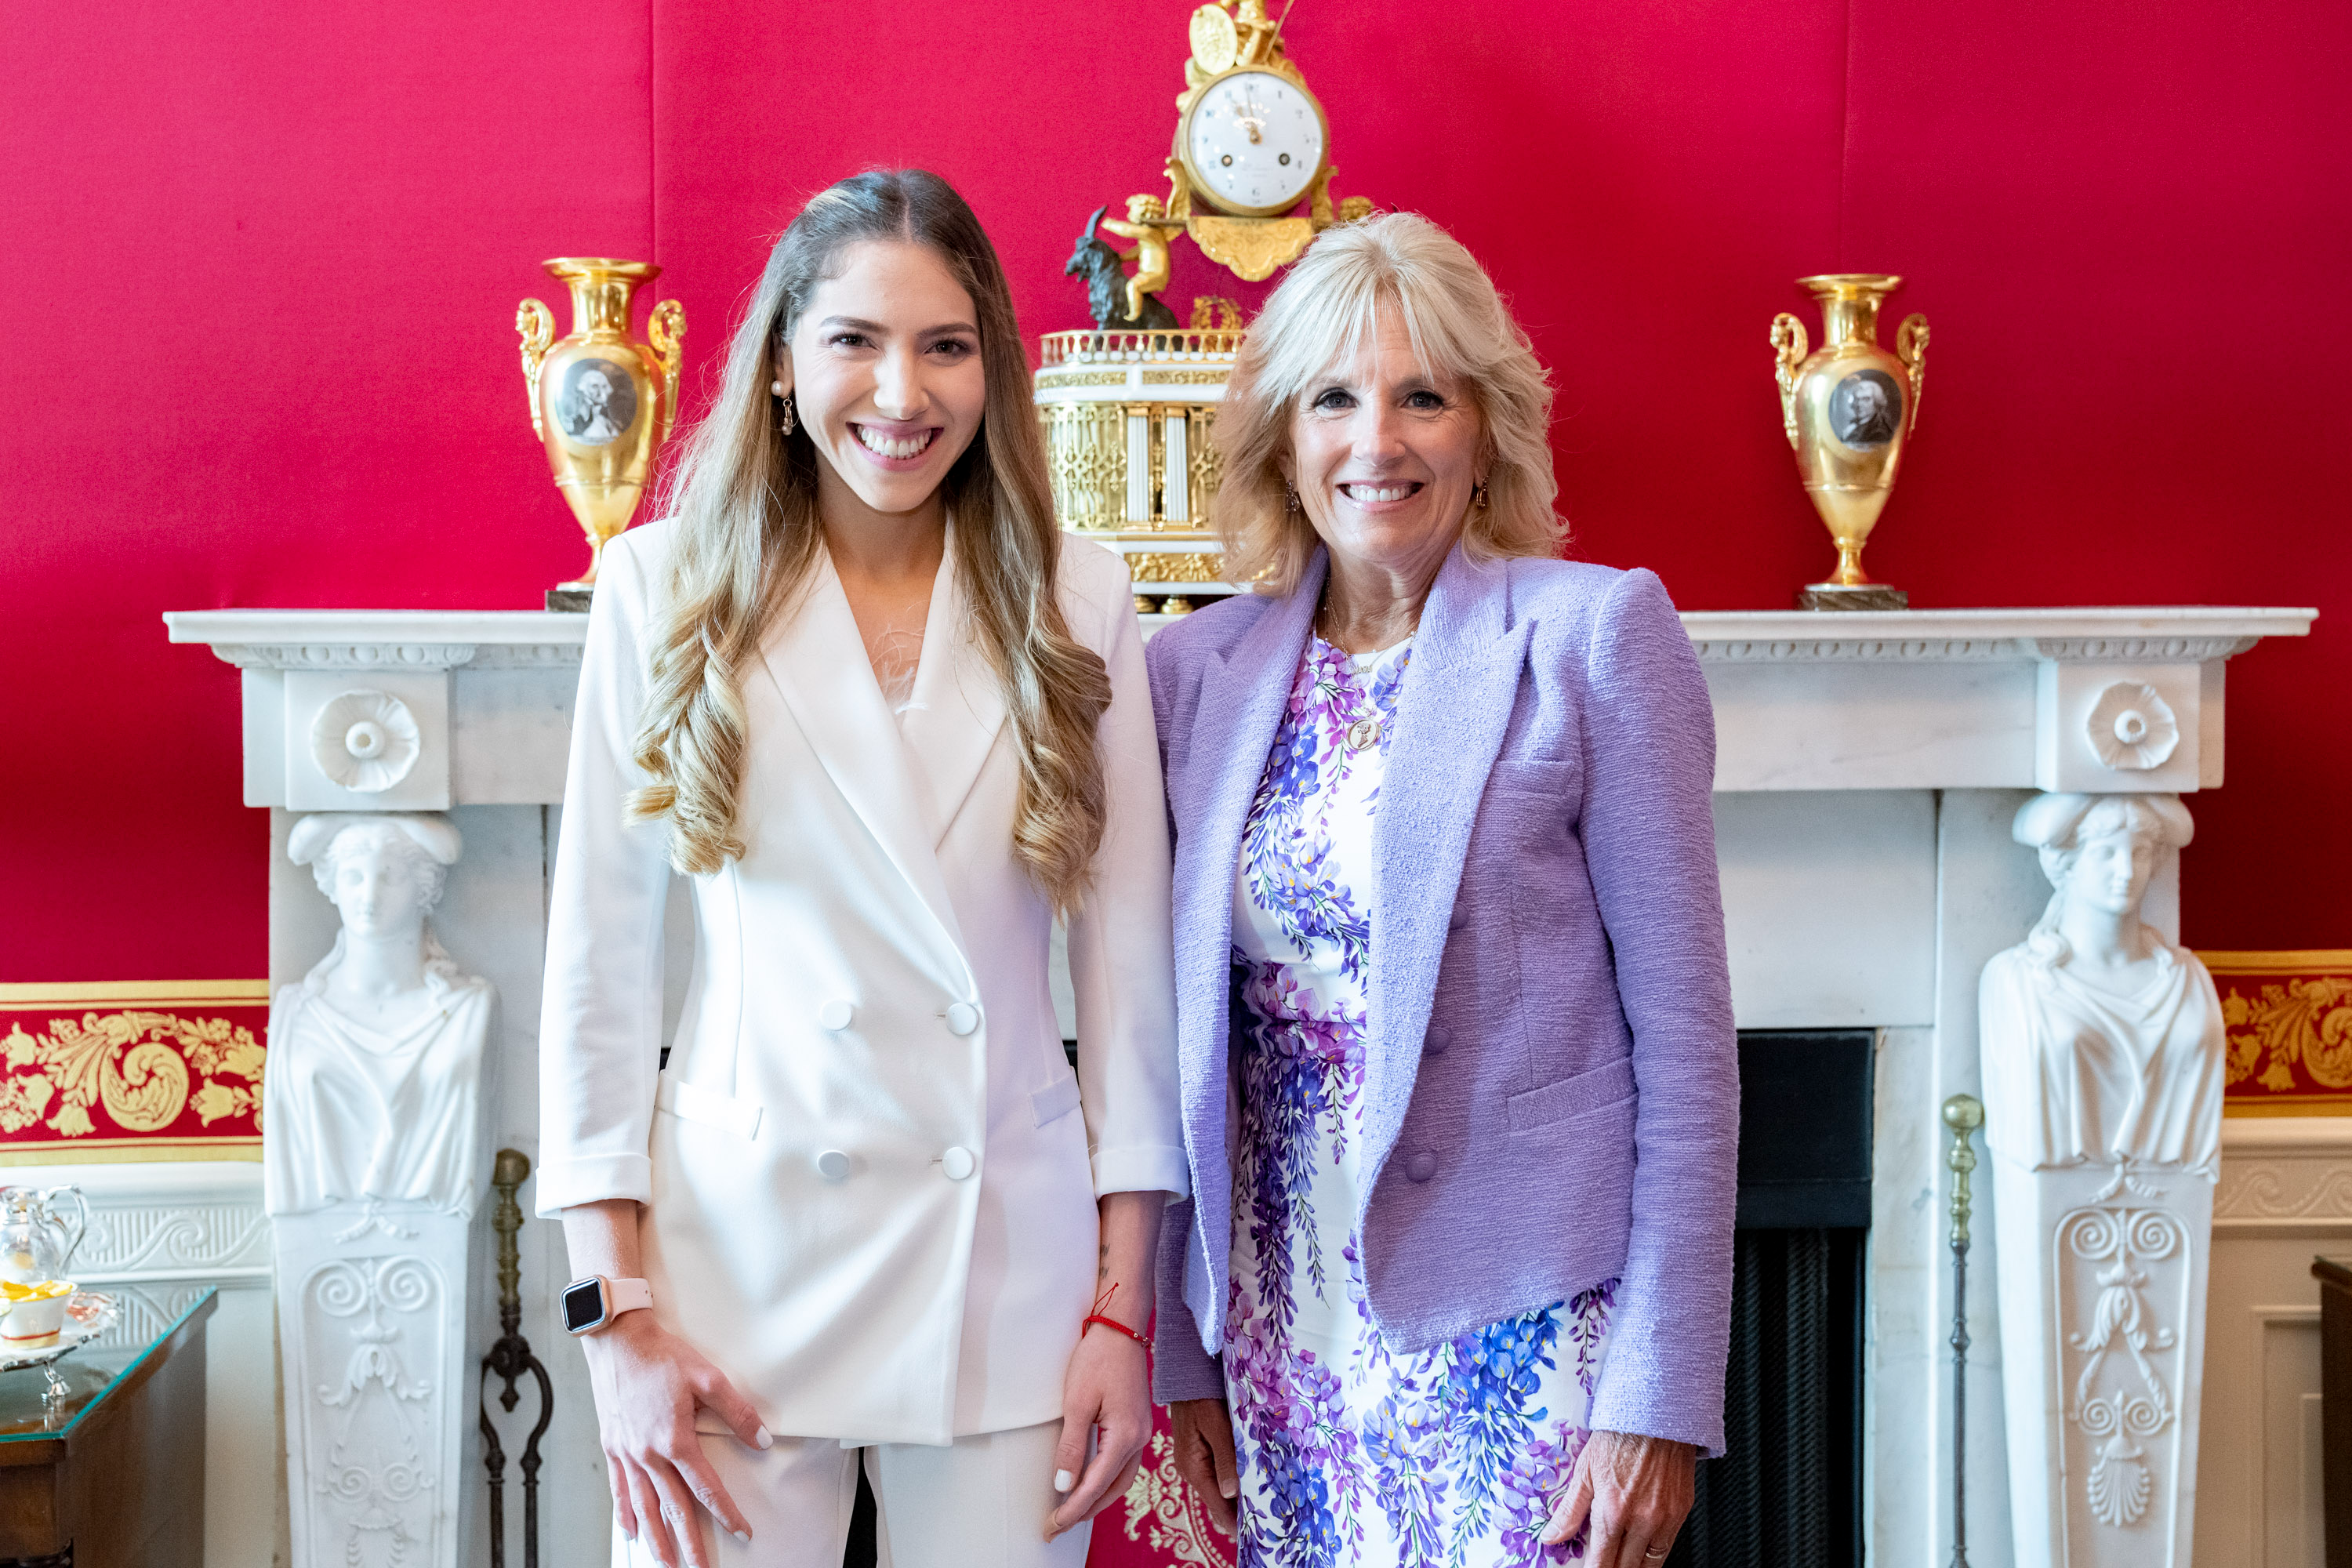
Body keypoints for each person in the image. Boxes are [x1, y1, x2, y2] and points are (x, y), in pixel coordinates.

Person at [538, 169, 1185, 1568]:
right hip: (726, 1279)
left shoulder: (1081, 595)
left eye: (945, 346)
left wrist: (1124, 1315)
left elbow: (1130, 988)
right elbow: (594, 973)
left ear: (992, 369)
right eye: (855, 341)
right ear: (781, 362)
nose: (903, 392)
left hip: (1008, 1274)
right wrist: (613, 1326)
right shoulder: (661, 588)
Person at [1144, 212, 1737, 1568]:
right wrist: (1185, 1351)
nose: (1379, 440)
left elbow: (1691, 1055)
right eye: (1336, 399)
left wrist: (1657, 1396)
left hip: (1525, 1326)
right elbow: (1157, 1042)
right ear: (1283, 438)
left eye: (1425, 396)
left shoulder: (1594, 637)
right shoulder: (1194, 676)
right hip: (1285, 1320)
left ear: (1487, 428)